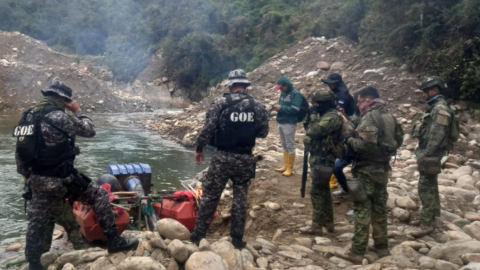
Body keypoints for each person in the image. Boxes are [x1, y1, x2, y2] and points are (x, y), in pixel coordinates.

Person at [15, 79, 138, 270]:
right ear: (63, 99)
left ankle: (33, 263)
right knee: (99, 194)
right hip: (61, 179)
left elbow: (21, 150)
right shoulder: (57, 116)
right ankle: (114, 240)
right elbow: (89, 131)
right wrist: (78, 111)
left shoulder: (28, 116)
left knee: (36, 221)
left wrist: (27, 177)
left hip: (37, 180)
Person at [190, 69, 269, 249]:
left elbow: (208, 129)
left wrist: (199, 148)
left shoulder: (220, 103)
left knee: (210, 195)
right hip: (246, 158)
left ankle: (198, 235)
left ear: (230, 85)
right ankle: (237, 240)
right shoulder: (257, 106)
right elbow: (263, 132)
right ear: (246, 86)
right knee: (240, 197)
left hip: (223, 157)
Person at [335, 87, 403, 264]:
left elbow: (365, 146)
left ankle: (357, 251)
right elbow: (399, 140)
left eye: (359, 101)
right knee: (379, 209)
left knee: (362, 208)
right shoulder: (389, 116)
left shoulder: (370, 117)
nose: (357, 104)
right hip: (382, 168)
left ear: (367, 99)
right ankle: (382, 246)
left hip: (366, 170)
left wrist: (349, 138)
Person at [407, 77, 455, 237]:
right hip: (431, 152)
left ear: (435, 90)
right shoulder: (435, 107)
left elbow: (437, 134)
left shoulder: (439, 109)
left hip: (431, 153)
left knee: (425, 187)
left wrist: (426, 155)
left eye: (425, 91)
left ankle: (426, 223)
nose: (423, 95)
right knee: (431, 184)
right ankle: (433, 216)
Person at [300, 89, 343, 235]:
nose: (314, 105)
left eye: (317, 103)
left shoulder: (332, 117)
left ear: (324, 103)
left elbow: (315, 130)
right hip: (319, 156)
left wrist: (312, 115)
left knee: (317, 191)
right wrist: (309, 115)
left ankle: (316, 225)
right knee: (323, 191)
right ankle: (328, 222)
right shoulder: (324, 115)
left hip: (324, 158)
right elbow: (307, 127)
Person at [273, 76, 303, 177]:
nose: (280, 90)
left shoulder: (296, 94)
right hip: (281, 121)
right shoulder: (283, 93)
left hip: (289, 122)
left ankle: (290, 168)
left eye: (281, 87)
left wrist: (281, 108)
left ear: (286, 85)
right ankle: (285, 165)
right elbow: (283, 105)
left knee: (290, 145)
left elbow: (295, 109)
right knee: (284, 144)